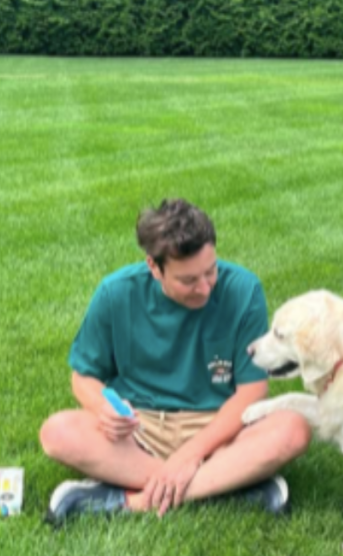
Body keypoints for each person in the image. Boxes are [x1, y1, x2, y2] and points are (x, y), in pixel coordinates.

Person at [40, 198, 311, 524]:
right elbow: (83, 377)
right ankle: (229, 484)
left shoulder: (243, 288)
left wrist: (190, 454)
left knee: (293, 429)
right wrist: (102, 409)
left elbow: (252, 391)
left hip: (218, 427)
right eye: (188, 280)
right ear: (154, 267)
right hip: (139, 429)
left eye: (210, 271)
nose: (205, 287)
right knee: (57, 432)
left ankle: (130, 501)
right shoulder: (116, 293)